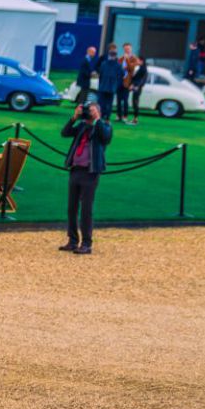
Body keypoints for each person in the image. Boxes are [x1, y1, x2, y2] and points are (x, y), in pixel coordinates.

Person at [59, 95, 111, 255]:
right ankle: (73, 240)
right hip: (76, 170)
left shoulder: (104, 125)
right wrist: (74, 117)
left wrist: (96, 120)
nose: (88, 114)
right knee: (71, 208)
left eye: (91, 111)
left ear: (98, 112)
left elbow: (105, 138)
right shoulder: (81, 126)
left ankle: (87, 243)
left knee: (86, 209)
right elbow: (65, 133)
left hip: (90, 172)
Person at [96, 43, 122, 118]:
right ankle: (104, 115)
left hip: (108, 86)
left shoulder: (116, 63)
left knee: (106, 103)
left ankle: (105, 116)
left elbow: (120, 74)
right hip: (106, 85)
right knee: (104, 102)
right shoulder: (104, 59)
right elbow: (98, 69)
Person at [128, 52, 148, 120]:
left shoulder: (143, 69)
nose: (137, 61)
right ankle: (135, 118)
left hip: (137, 88)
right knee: (134, 102)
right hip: (136, 87)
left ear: (141, 61)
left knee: (135, 103)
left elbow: (141, 80)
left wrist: (134, 85)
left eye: (138, 60)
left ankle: (135, 119)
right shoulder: (140, 68)